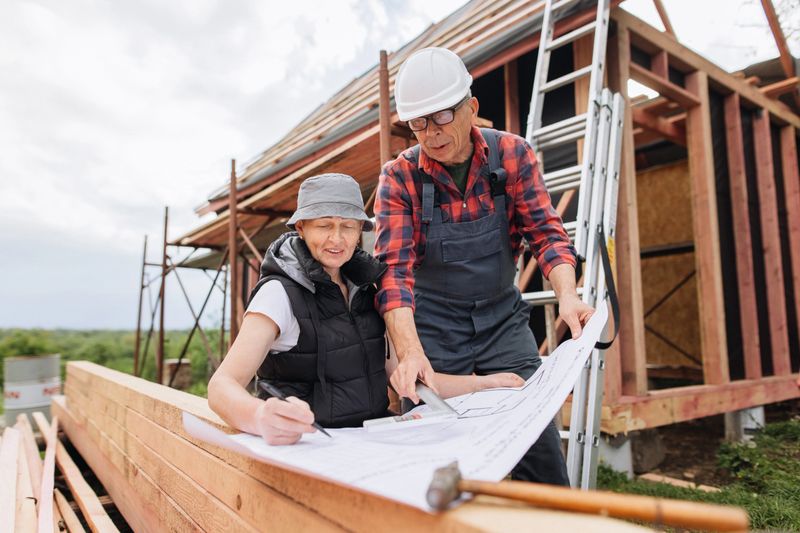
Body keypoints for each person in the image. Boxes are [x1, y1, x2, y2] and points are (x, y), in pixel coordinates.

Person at [373, 47, 595, 485]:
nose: (431, 134)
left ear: (471, 108)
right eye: (418, 123)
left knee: (537, 442)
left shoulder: (512, 155)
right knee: (430, 447)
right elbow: (393, 273)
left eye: (441, 117)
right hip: (432, 325)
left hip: (502, 319)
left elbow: (546, 235)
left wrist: (568, 296)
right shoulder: (398, 177)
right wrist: (409, 350)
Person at [208, 172, 521, 446]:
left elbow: (403, 378)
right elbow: (221, 386)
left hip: (371, 446)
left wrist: (482, 384)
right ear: (301, 228)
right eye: (323, 226)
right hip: (308, 450)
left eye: (348, 226)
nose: (337, 238)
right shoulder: (278, 294)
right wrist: (260, 416)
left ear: (361, 231)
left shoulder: (367, 289)